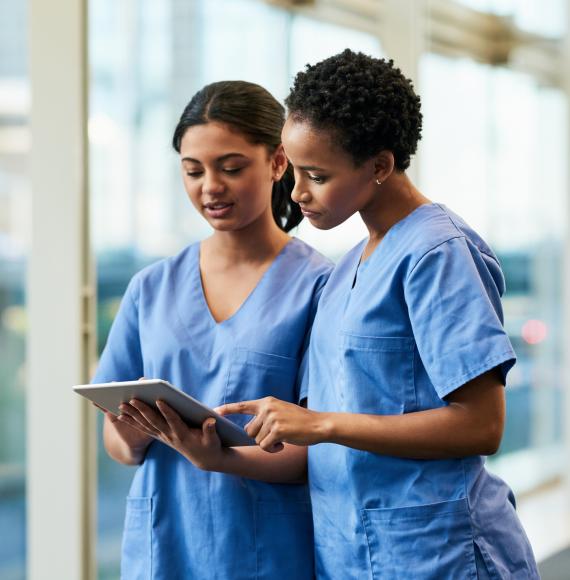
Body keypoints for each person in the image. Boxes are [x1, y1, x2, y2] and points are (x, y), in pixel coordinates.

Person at [218, 50, 540, 579]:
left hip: (438, 555)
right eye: (294, 171)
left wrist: (320, 423)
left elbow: (482, 424)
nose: (297, 193)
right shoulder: (345, 271)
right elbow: (336, 427)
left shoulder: (437, 255)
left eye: (316, 175)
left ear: (380, 166)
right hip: (352, 555)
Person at [93, 80, 332, 580]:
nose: (210, 188)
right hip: (165, 548)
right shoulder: (150, 288)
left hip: (266, 551)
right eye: (193, 170)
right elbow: (116, 444)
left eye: (231, 167)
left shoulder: (319, 287)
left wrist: (220, 459)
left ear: (277, 162)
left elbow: (319, 451)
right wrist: (135, 434)